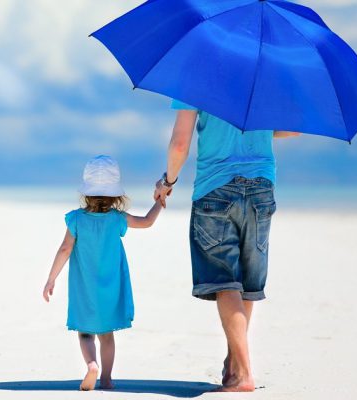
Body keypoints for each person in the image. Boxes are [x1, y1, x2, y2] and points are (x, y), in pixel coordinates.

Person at [154, 100, 300, 392]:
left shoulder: (196, 76)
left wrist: (167, 180)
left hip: (216, 186)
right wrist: (254, 127)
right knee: (247, 281)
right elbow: (293, 130)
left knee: (225, 282)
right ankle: (235, 362)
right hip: (261, 186)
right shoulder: (263, 77)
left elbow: (180, 143)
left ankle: (244, 373)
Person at [43, 155, 162, 391]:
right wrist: (160, 201)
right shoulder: (117, 219)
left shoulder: (76, 218)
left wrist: (51, 278)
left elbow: (65, 249)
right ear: (115, 193)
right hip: (111, 286)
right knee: (107, 335)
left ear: (86, 192)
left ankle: (91, 365)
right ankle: (106, 379)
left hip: (84, 287)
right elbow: (147, 221)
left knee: (85, 333)